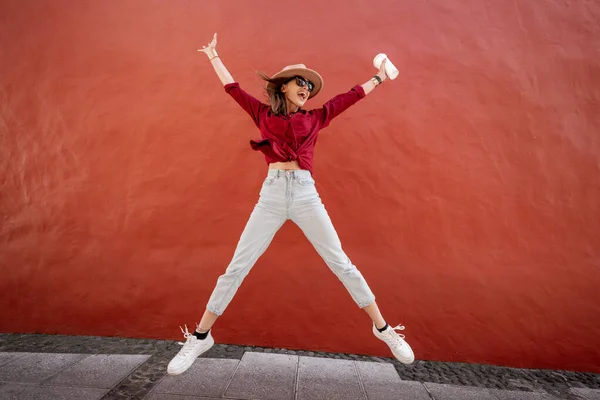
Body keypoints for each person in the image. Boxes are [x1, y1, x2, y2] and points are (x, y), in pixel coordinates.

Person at [167, 33, 415, 375]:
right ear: (283, 86)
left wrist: (379, 77)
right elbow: (232, 89)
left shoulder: (316, 117)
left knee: (341, 262)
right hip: (271, 195)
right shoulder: (262, 113)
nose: (307, 89)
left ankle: (384, 330)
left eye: (309, 87)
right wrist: (213, 56)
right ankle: (200, 336)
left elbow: (351, 97)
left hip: (304, 194)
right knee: (237, 267)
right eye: (300, 83)